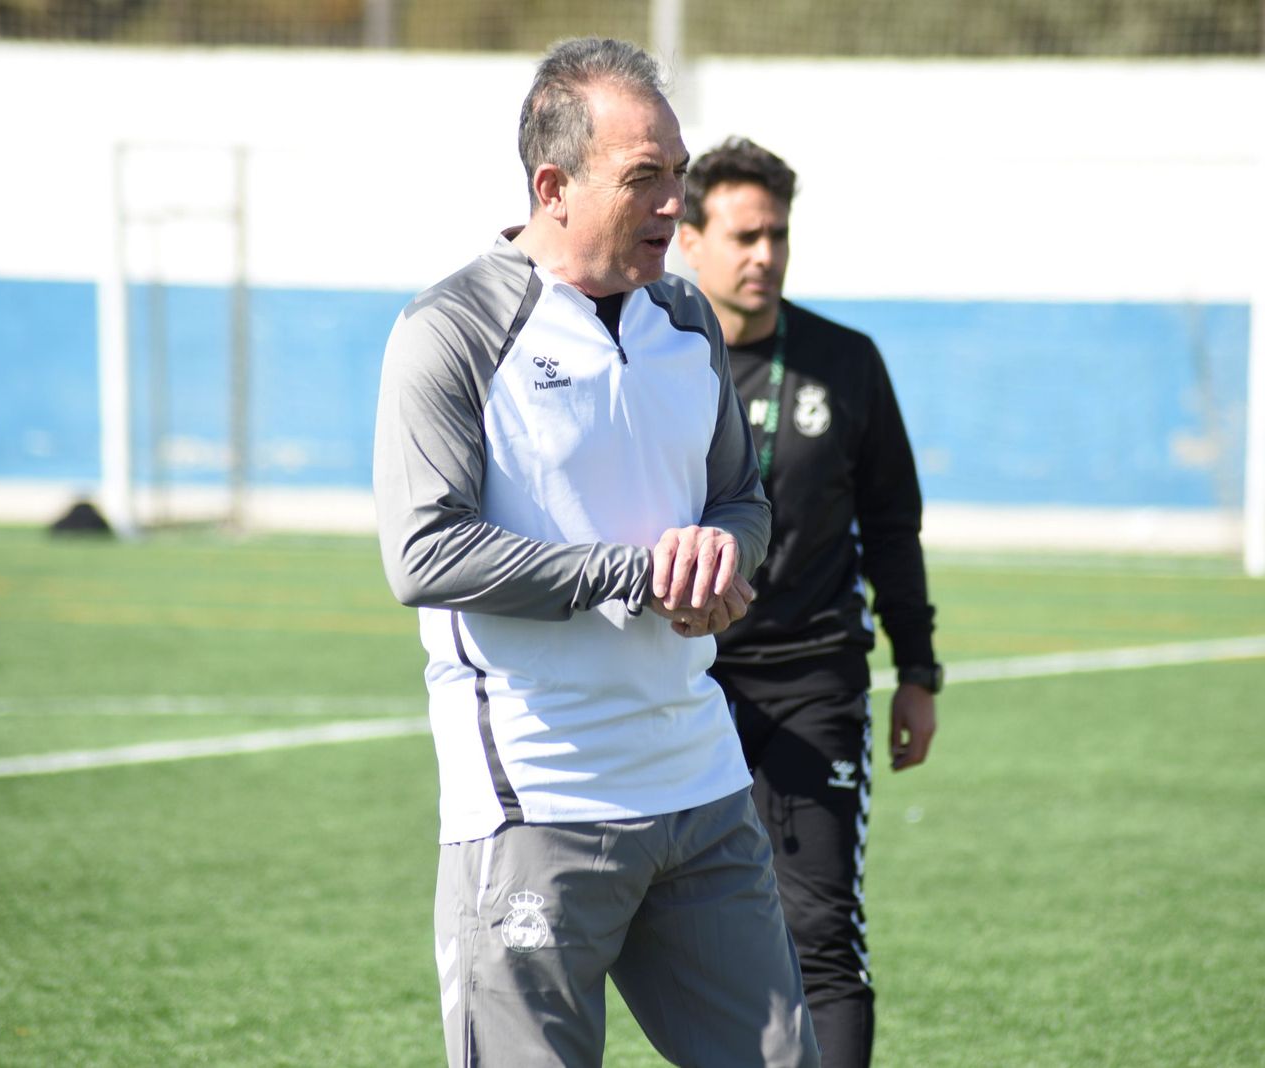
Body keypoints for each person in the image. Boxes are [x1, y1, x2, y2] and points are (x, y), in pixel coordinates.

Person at [372, 40, 821, 1068]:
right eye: (647, 178)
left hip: (701, 788)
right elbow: (423, 553)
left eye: (680, 173)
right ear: (553, 186)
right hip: (536, 800)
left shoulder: (685, 319)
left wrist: (718, 558)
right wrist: (633, 575)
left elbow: (737, 497)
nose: (677, 204)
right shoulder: (448, 331)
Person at [678, 137, 944, 1068]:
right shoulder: (654, 358)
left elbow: (893, 526)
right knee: (676, 939)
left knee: (820, 933)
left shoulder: (847, 363)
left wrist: (917, 671)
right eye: (745, 235)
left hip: (813, 687)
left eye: (777, 235)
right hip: (680, 687)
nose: (764, 255)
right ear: (689, 238)